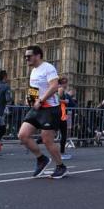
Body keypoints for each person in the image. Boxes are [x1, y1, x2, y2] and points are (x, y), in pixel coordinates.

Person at [18, 45, 68, 179]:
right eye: (25, 57)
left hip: (50, 109)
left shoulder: (48, 68)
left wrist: (41, 99)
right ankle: (41, 159)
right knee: (23, 135)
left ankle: (61, 166)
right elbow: (34, 88)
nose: (26, 58)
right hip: (37, 108)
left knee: (47, 140)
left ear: (38, 55)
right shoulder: (33, 71)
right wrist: (30, 99)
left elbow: (54, 86)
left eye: (29, 56)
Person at [58, 77, 72, 160]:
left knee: (53, 131)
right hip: (61, 113)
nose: (67, 85)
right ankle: (62, 152)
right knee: (64, 133)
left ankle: (62, 151)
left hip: (61, 113)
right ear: (64, 83)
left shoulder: (59, 89)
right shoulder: (61, 89)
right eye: (66, 83)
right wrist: (65, 101)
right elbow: (56, 100)